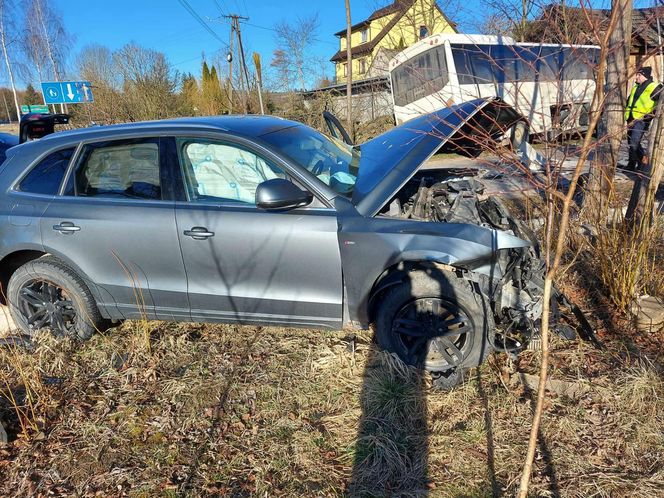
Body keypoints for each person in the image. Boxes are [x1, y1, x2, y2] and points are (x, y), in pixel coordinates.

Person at [624, 66, 663, 171]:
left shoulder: (654, 87)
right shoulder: (636, 87)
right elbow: (629, 101)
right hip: (631, 118)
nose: (636, 77)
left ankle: (644, 165)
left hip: (642, 120)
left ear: (645, 76)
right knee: (630, 143)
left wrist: (651, 114)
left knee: (634, 143)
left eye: (639, 75)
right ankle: (631, 165)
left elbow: (661, 103)